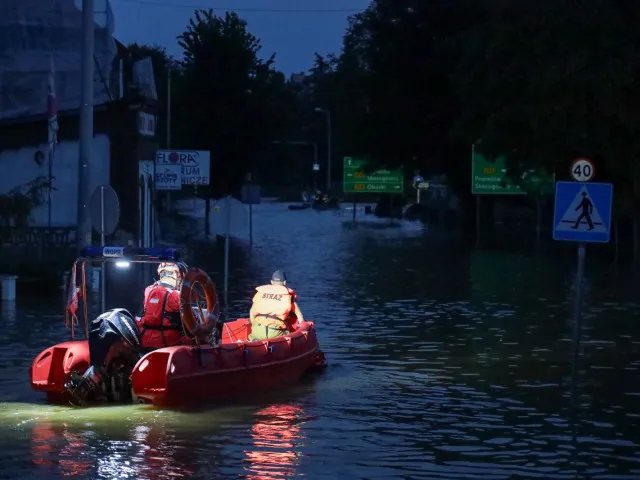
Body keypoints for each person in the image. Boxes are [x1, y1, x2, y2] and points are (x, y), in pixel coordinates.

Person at [138, 262, 187, 349]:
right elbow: (189, 320)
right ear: (177, 275)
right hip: (168, 342)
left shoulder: (148, 291)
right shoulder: (177, 295)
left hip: (145, 340)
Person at [248, 270, 304, 341]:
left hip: (257, 330)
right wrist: (303, 327)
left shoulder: (261, 293)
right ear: (284, 282)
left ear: (271, 282)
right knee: (289, 334)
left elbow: (251, 312)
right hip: (275, 332)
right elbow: (298, 313)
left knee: (254, 336)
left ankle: (254, 343)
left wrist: (254, 325)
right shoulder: (288, 297)